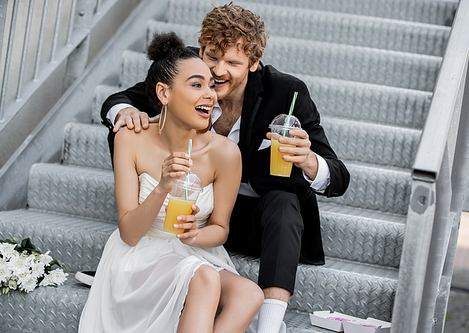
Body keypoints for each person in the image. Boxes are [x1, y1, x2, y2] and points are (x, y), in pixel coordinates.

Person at [79, 3, 350, 333]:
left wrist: (309, 160)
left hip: (249, 220)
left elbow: (338, 177)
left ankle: (270, 324)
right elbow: (124, 98)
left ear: (253, 64)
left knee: (284, 201)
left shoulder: (285, 93)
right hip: (179, 217)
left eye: (233, 63)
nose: (218, 71)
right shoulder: (190, 74)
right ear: (201, 49)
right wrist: (126, 114)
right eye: (211, 56)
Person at [78, 32, 264, 333]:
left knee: (249, 294)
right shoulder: (130, 139)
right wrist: (163, 185)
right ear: (164, 94)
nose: (210, 94)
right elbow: (129, 233)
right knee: (205, 278)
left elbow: (220, 229)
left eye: (210, 85)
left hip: (193, 252)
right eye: (196, 85)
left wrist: (195, 236)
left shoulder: (226, 153)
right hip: (139, 255)